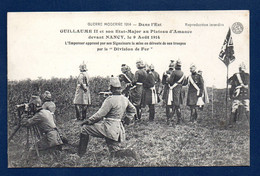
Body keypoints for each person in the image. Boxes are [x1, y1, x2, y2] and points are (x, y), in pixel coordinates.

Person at [78, 76, 137, 158]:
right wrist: (127, 119)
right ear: (119, 88)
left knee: (84, 128)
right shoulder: (124, 99)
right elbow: (133, 110)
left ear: (111, 88)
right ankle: (127, 152)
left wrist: (88, 121)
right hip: (119, 129)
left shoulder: (110, 100)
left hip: (109, 128)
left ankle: (81, 153)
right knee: (114, 152)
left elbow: (100, 114)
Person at [228, 62, 250, 127]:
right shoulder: (248, 75)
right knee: (247, 109)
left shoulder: (236, 75)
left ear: (239, 69)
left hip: (238, 95)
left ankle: (230, 124)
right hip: (246, 95)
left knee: (234, 109)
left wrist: (231, 95)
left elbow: (230, 83)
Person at [167, 60, 186, 125]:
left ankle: (170, 119)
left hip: (174, 90)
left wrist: (168, 78)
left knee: (173, 105)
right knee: (178, 105)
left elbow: (170, 81)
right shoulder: (183, 73)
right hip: (180, 90)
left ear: (176, 65)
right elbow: (185, 82)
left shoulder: (174, 72)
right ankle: (179, 120)